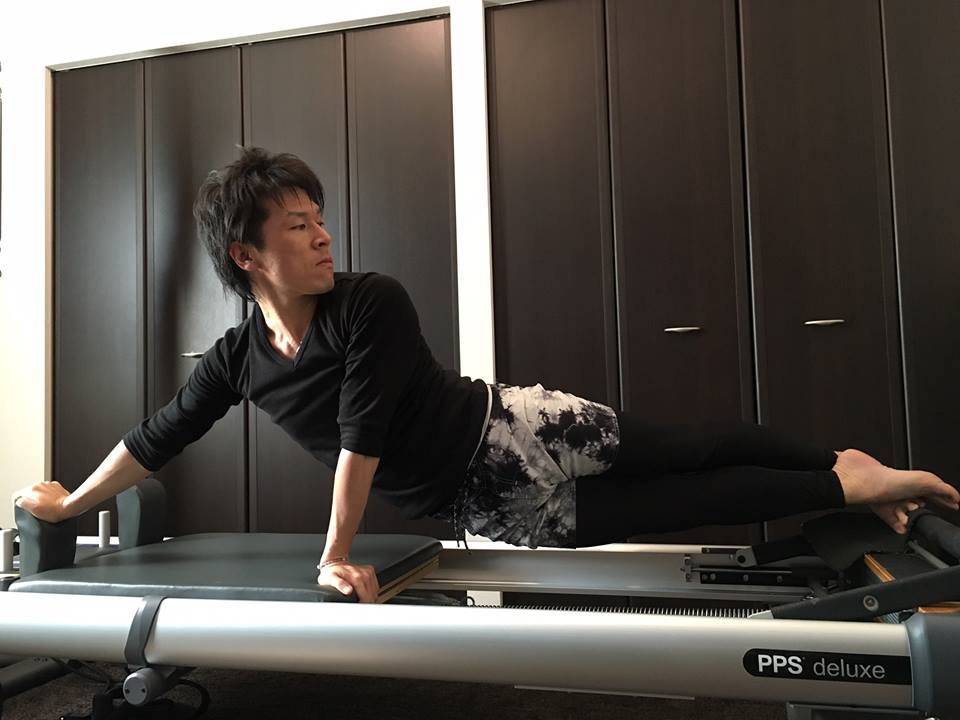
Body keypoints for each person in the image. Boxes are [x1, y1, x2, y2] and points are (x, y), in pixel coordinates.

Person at [13, 148, 959, 604]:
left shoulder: (371, 300)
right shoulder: (237, 361)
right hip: (490, 507)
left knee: (692, 445)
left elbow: (361, 433)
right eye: (298, 224)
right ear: (245, 254)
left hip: (523, 428)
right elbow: (158, 436)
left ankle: (846, 468)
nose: (323, 235)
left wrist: (337, 551)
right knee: (693, 503)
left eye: (321, 217)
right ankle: (846, 484)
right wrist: (71, 504)